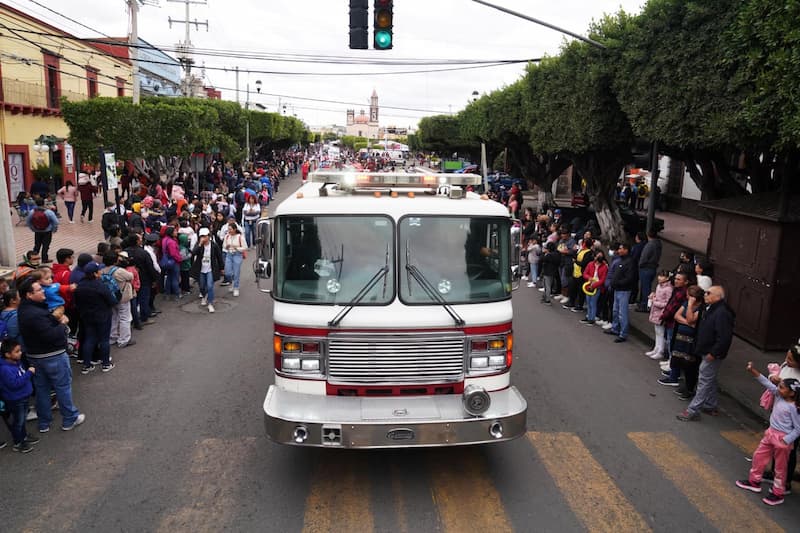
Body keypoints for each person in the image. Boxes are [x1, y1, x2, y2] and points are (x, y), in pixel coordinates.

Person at [16, 278, 85, 432]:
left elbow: (41, 328)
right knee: (62, 387)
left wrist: (53, 318)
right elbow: (50, 334)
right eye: (39, 290)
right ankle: (70, 418)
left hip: (35, 356)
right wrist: (63, 324)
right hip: (52, 355)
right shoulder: (34, 313)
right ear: (29, 295)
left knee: (42, 389)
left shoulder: (25, 310)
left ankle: (44, 422)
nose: (43, 291)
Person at [736, 362, 800, 506]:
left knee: (780, 468)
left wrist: (786, 440)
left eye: (782, 387)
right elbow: (766, 382)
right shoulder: (778, 395)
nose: (778, 388)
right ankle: (754, 481)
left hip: (782, 440)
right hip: (770, 434)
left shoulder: (794, 408)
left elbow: (798, 429)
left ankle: (778, 493)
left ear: (792, 393)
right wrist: (753, 370)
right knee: (759, 457)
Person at [677, 285, 735, 422]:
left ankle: (692, 410)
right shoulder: (708, 308)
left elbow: (724, 338)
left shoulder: (722, 313)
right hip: (705, 349)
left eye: (709, 293)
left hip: (712, 353)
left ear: (718, 297)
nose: (705, 295)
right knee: (710, 378)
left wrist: (714, 353)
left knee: (704, 380)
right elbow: (693, 320)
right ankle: (710, 405)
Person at [660, 285, 704, 397]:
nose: (687, 297)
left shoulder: (700, 308)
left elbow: (690, 318)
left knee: (689, 365)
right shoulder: (685, 303)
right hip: (680, 337)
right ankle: (674, 378)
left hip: (690, 341)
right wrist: (688, 323)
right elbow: (677, 316)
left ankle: (689, 389)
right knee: (677, 358)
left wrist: (690, 306)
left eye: (689, 296)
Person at [73, 262, 116, 374]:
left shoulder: (79, 286)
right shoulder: (100, 286)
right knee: (104, 340)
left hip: (86, 316)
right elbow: (112, 301)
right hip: (102, 315)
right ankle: (106, 363)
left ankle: (87, 365)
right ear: (95, 273)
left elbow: (76, 302)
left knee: (89, 339)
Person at [0, 339, 40, 453]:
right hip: (15, 399)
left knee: (21, 420)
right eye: (17, 351)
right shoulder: (5, 369)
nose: (20, 353)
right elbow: (14, 384)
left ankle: (24, 436)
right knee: (18, 421)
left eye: (20, 350)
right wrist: (29, 373)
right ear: (8, 354)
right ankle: (18, 442)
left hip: (23, 396)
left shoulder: (16, 363)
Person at [604, 242, 636, 343]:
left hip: (624, 290)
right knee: (615, 311)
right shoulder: (620, 260)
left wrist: (617, 283)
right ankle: (615, 328)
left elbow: (630, 278)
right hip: (617, 289)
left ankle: (623, 333)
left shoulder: (630, 262)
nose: (619, 251)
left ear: (626, 250)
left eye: (621, 249)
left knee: (622, 313)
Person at [103, 251, 135, 349]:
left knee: (114, 317)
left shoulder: (102, 270)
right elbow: (131, 276)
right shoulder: (119, 271)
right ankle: (124, 340)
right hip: (122, 297)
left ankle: (112, 337)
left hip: (110, 298)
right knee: (125, 318)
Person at [190, 227, 224, 313]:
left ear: (209, 236)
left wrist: (222, 268)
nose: (203, 238)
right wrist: (200, 244)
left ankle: (210, 303)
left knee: (210, 286)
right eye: (201, 236)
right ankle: (204, 295)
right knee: (202, 286)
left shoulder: (214, 245)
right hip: (201, 269)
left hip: (210, 269)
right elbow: (193, 253)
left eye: (205, 236)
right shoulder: (199, 245)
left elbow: (219, 257)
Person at [645, 270, 674, 360]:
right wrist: (653, 297)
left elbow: (668, 303)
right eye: (659, 276)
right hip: (655, 311)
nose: (659, 278)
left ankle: (660, 351)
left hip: (661, 313)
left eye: (662, 276)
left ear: (667, 278)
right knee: (657, 331)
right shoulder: (659, 286)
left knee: (661, 332)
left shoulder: (669, 289)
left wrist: (655, 302)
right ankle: (656, 348)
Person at [636, 230, 662, 312]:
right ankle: (644, 303)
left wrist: (640, 264)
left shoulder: (650, 245)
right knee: (647, 287)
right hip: (653, 267)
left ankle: (644, 305)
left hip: (646, 268)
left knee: (645, 288)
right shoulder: (658, 244)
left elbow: (644, 257)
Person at [26, 198, 59, 264]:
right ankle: (44, 259)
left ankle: (33, 258)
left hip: (37, 231)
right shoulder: (48, 212)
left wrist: (33, 229)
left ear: (35, 203)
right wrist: (53, 229)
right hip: (47, 231)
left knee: (37, 245)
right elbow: (56, 222)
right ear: (43, 203)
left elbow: (28, 222)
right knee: (45, 246)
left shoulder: (32, 212)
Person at [580, 250, 607, 326]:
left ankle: (592, 319)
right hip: (589, 285)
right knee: (588, 302)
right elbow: (585, 273)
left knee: (593, 303)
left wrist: (594, 285)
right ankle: (588, 316)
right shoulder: (590, 264)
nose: (599, 258)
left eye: (601, 256)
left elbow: (603, 279)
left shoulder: (604, 267)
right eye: (598, 256)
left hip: (597, 287)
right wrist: (589, 278)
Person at [222, 222, 247, 297]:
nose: (229, 231)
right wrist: (227, 246)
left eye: (230, 229)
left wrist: (236, 248)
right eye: (228, 229)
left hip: (237, 255)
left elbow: (245, 247)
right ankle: (233, 281)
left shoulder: (240, 237)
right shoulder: (227, 236)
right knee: (227, 272)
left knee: (236, 272)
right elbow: (224, 246)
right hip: (229, 254)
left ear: (235, 229)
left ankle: (236, 287)